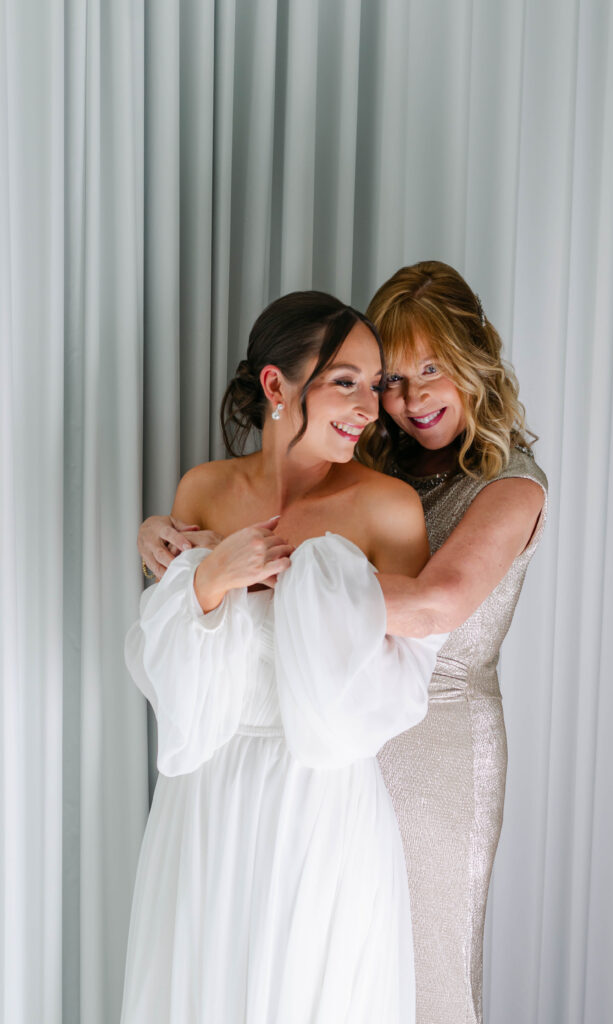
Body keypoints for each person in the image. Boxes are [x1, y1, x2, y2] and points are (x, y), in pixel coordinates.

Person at [139, 262, 548, 1024]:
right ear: (276, 387)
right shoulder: (378, 463)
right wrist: (188, 569)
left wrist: (249, 576)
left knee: (420, 970)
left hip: (431, 743)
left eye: (429, 371)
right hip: (270, 757)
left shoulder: (508, 484)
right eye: (386, 381)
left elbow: (437, 603)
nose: (403, 398)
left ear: (474, 360)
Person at [120, 291, 445, 1024]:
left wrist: (306, 586)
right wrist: (208, 579)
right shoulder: (203, 490)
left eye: (377, 384)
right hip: (205, 797)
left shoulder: (389, 508)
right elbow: (174, 682)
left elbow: (396, 689)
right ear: (276, 386)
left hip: (323, 803)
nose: (372, 406)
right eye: (347, 381)